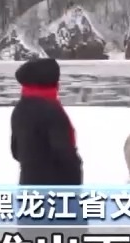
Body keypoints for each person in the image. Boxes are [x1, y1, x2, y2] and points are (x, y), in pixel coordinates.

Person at [10, 56, 83, 187]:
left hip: (28, 182)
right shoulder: (52, 111)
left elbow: (16, 151)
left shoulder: (20, 109)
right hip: (56, 186)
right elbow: (65, 154)